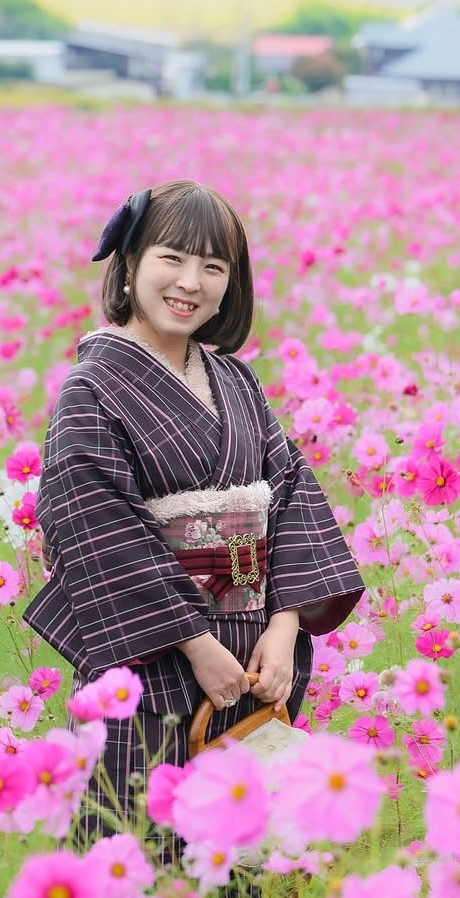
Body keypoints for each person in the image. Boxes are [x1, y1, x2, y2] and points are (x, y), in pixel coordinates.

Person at [23, 180, 364, 839]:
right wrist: (197, 645)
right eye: (172, 258)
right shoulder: (92, 389)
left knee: (236, 866)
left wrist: (285, 626)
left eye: (212, 266)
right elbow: (96, 531)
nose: (190, 282)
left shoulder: (236, 382)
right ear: (129, 261)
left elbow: (291, 494)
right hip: (151, 665)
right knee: (141, 853)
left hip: (254, 663)